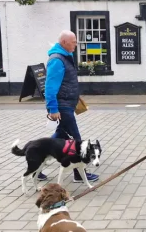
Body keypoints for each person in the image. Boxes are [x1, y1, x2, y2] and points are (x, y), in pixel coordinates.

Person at [43, 30, 99, 183]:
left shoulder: (66, 57)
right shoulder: (57, 60)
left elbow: (67, 82)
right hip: (62, 106)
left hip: (68, 103)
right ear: (64, 43)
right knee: (76, 140)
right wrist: (53, 109)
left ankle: (37, 160)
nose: (76, 43)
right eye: (73, 41)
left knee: (59, 136)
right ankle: (78, 174)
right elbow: (50, 87)